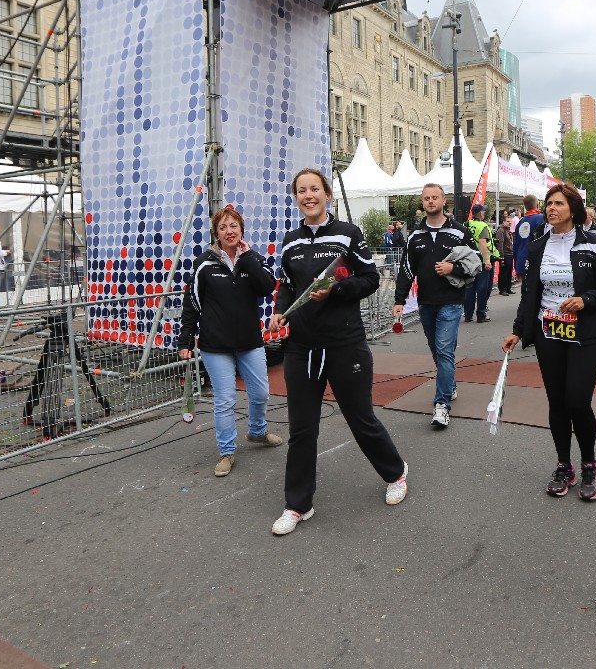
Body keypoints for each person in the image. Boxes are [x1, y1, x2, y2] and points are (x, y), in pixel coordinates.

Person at [269, 168, 407, 535]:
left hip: (345, 343)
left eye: (314, 189)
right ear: (295, 197)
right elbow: (287, 286)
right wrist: (280, 312)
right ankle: (298, 505)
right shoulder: (291, 241)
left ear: (327, 194)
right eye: (301, 190)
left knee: (360, 418)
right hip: (301, 347)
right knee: (301, 428)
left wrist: (337, 291)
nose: (308, 195)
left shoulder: (348, 234)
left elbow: (370, 279)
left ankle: (396, 473)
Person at [502, 183, 596, 500]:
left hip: (586, 334)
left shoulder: (593, 244)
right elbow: (529, 294)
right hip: (548, 332)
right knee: (557, 402)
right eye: (549, 204)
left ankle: (590, 464)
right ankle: (564, 465)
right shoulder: (538, 246)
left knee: (577, 401)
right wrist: (518, 330)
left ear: (573, 209)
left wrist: (586, 300)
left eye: (558, 204)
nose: (551, 208)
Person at [178, 207, 281, 478]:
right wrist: (185, 340)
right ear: (216, 233)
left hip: (250, 342)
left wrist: (247, 259)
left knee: (260, 393)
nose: (229, 231)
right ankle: (226, 452)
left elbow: (267, 286)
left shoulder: (253, 259)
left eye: (233, 226)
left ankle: (257, 432)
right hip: (216, 346)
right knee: (225, 400)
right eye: (223, 227)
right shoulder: (204, 263)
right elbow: (191, 304)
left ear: (241, 230)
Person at [393, 184, 481, 428]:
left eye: (435, 197)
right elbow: (406, 270)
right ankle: (449, 384)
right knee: (437, 349)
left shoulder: (460, 232)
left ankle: (441, 405)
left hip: (451, 302)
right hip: (426, 303)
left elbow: (477, 262)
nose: (430, 201)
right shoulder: (415, 236)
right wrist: (399, 300)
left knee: (443, 349)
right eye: (426, 198)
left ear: (444, 201)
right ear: (423, 203)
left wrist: (454, 268)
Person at [462, 203, 498, 323]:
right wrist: (487, 260)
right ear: (481, 213)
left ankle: (468, 314)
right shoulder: (482, 226)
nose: (484, 213)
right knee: (483, 288)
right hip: (481, 260)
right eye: (483, 211)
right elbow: (483, 242)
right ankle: (481, 314)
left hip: (469, 260)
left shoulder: (466, 224)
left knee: (470, 288)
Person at [512, 195, 546, 278]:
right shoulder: (541, 219)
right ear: (537, 205)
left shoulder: (520, 222)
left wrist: (517, 268)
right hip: (538, 262)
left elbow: (516, 246)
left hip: (522, 261)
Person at [494, 213, 515, 295]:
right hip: (505, 254)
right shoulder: (501, 231)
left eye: (510, 221)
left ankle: (508, 288)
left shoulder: (508, 230)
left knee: (509, 272)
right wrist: (501, 256)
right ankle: (502, 289)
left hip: (510, 253)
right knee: (504, 273)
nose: (510, 223)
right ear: (504, 222)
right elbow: (500, 244)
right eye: (508, 221)